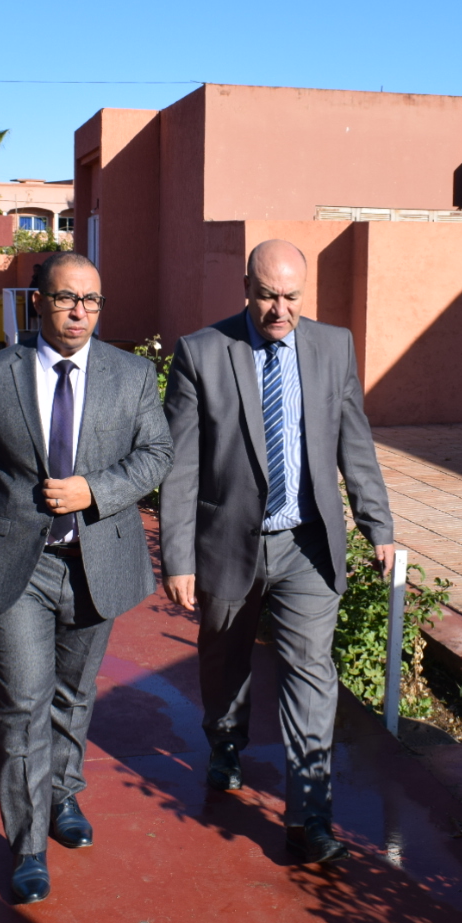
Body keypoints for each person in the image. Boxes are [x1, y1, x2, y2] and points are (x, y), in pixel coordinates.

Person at [0, 252, 172, 904]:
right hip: (19, 566)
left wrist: (95, 489)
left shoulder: (131, 375)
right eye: (66, 298)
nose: (79, 312)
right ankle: (27, 843)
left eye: (91, 301)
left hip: (98, 561)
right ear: (37, 302)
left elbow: (157, 455)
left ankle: (63, 795)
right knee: (23, 700)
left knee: (74, 694)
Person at [159, 239, 395, 864]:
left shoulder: (333, 347)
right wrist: (178, 559)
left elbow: (355, 443)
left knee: (311, 671)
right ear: (246, 287)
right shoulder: (202, 353)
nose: (279, 310)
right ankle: (224, 741)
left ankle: (309, 819)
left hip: (306, 543)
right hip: (227, 542)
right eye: (267, 295)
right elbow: (180, 467)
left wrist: (378, 526)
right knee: (224, 659)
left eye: (291, 297)